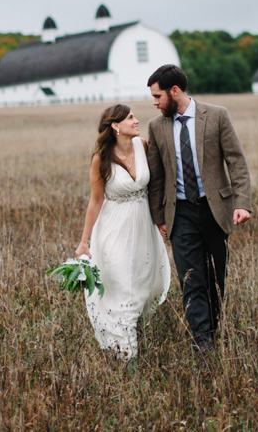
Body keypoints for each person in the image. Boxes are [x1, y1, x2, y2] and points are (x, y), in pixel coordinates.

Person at [146, 64, 252, 353]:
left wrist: (242, 203)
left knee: (216, 277)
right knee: (191, 279)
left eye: (157, 96)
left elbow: (236, 161)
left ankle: (215, 329)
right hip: (180, 214)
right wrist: (159, 217)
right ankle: (202, 342)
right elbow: (156, 177)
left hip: (215, 209)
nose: (154, 103)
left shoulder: (217, 115)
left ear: (175, 91)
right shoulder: (156, 126)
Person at [76, 104, 170, 363]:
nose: (136, 120)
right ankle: (128, 357)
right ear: (115, 125)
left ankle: (129, 341)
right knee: (121, 289)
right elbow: (95, 201)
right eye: (130, 118)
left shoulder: (143, 145)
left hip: (143, 227)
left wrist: (162, 220)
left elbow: (158, 185)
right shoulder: (100, 159)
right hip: (114, 229)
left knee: (142, 285)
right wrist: (84, 241)